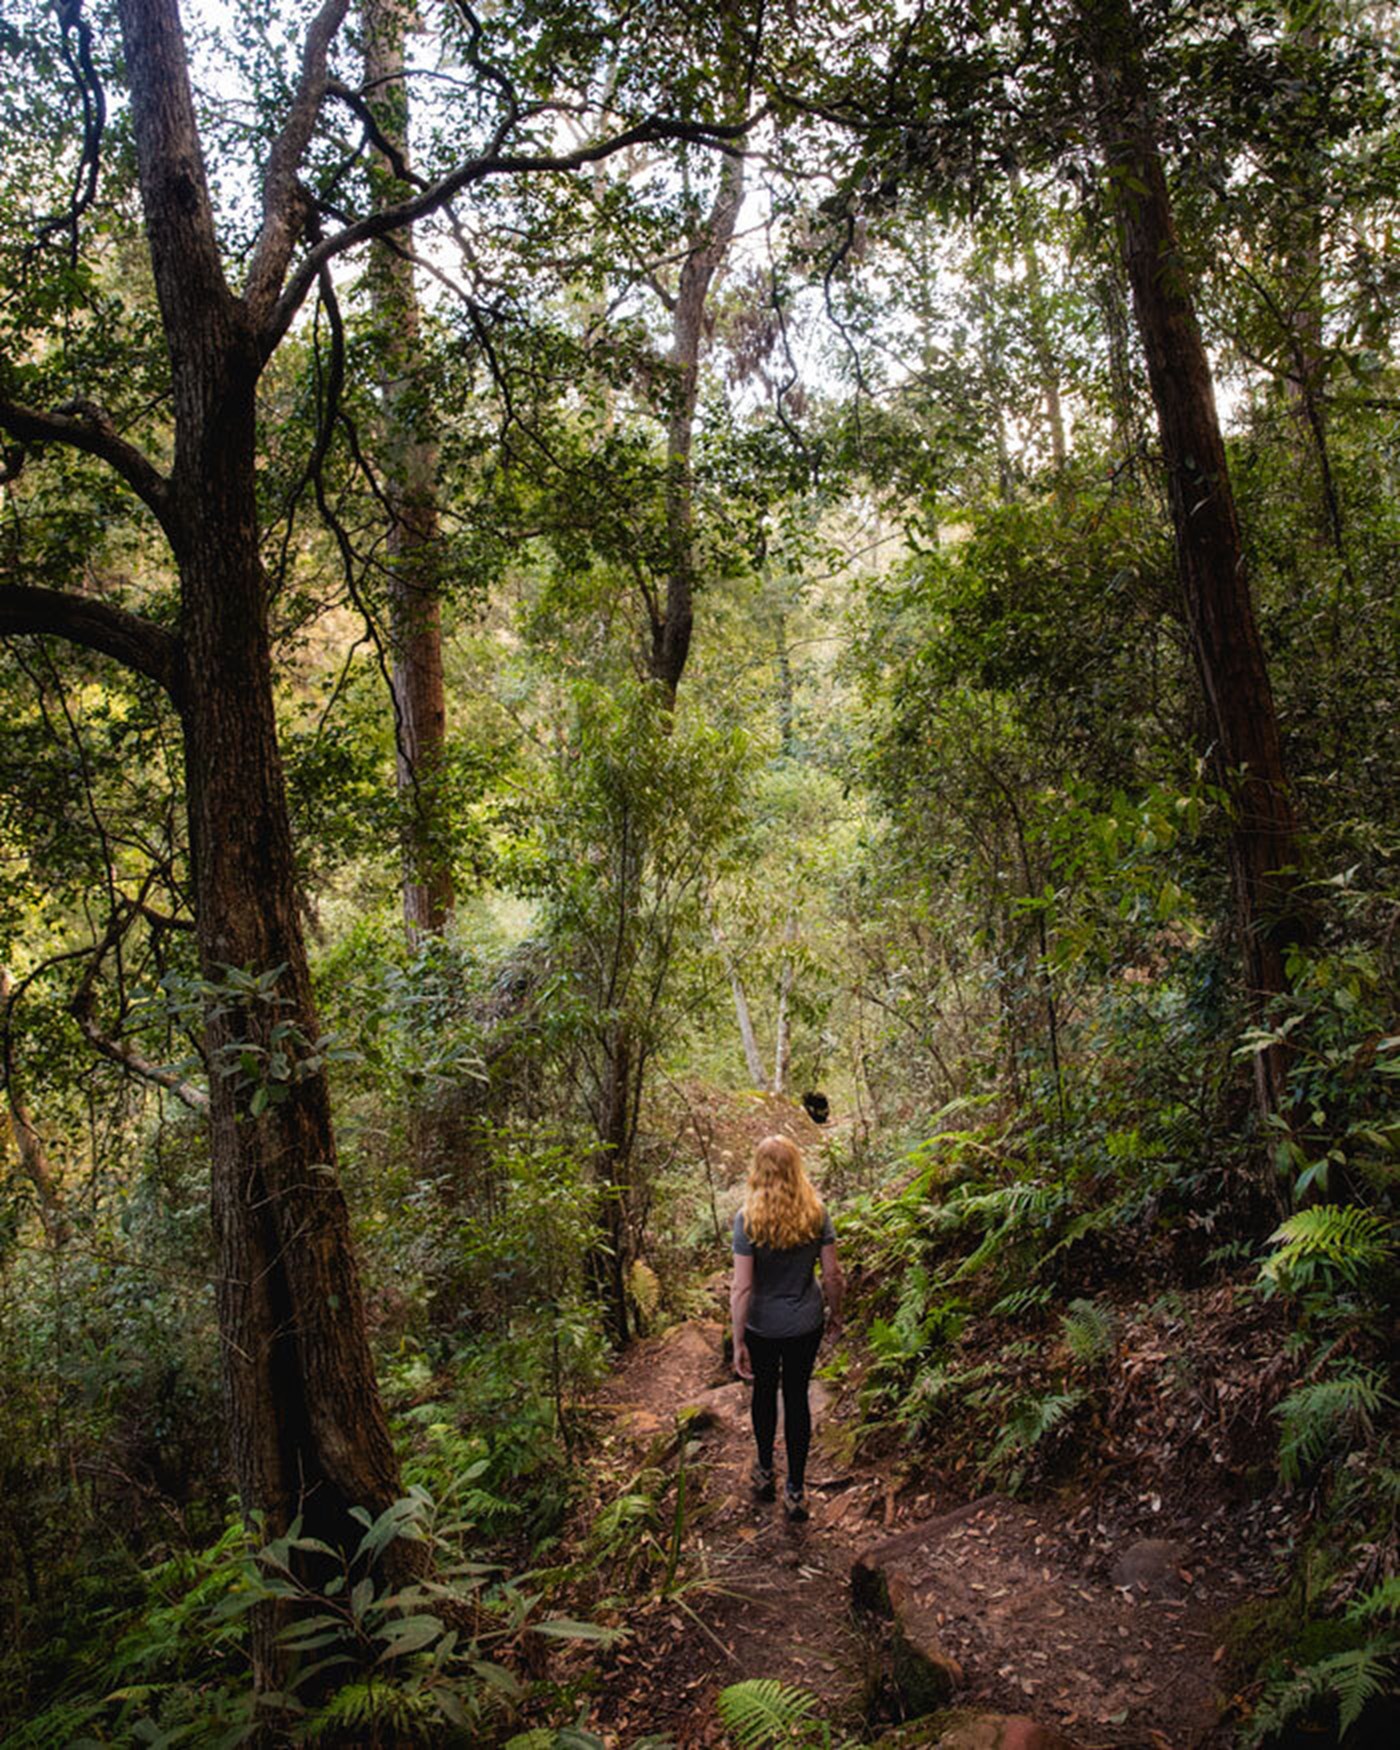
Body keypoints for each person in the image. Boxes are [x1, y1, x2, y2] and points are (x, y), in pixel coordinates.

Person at [729, 1134, 844, 1522]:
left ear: (758, 1170)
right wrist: (836, 1315)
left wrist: (738, 1338)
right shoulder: (817, 1213)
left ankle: (764, 1472)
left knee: (764, 1392)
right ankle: (795, 1489)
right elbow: (832, 1274)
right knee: (796, 1398)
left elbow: (742, 1286)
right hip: (804, 1323)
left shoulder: (747, 1219)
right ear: (797, 1167)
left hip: (762, 1325)